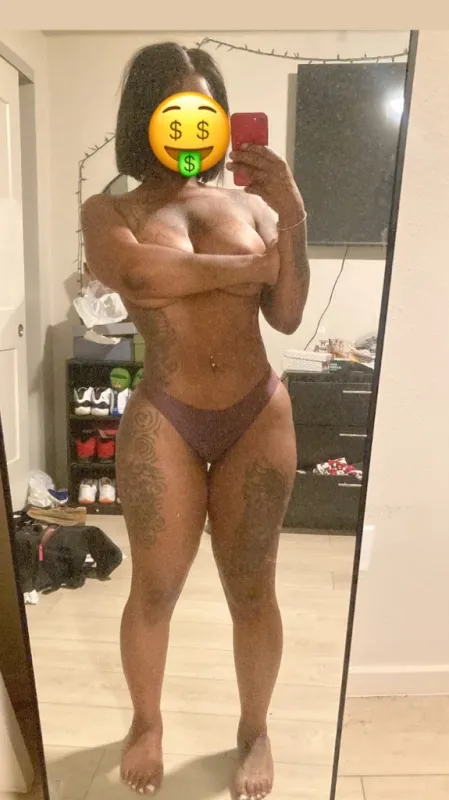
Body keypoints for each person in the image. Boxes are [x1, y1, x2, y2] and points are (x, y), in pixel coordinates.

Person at [81, 42, 310, 800]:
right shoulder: (113, 209)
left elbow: (286, 312)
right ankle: (146, 722)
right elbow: (137, 272)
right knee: (155, 589)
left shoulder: (255, 208)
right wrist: (250, 267)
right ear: (145, 118)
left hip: (256, 413)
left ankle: (255, 730)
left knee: (253, 591)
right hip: (166, 415)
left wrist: (293, 215)